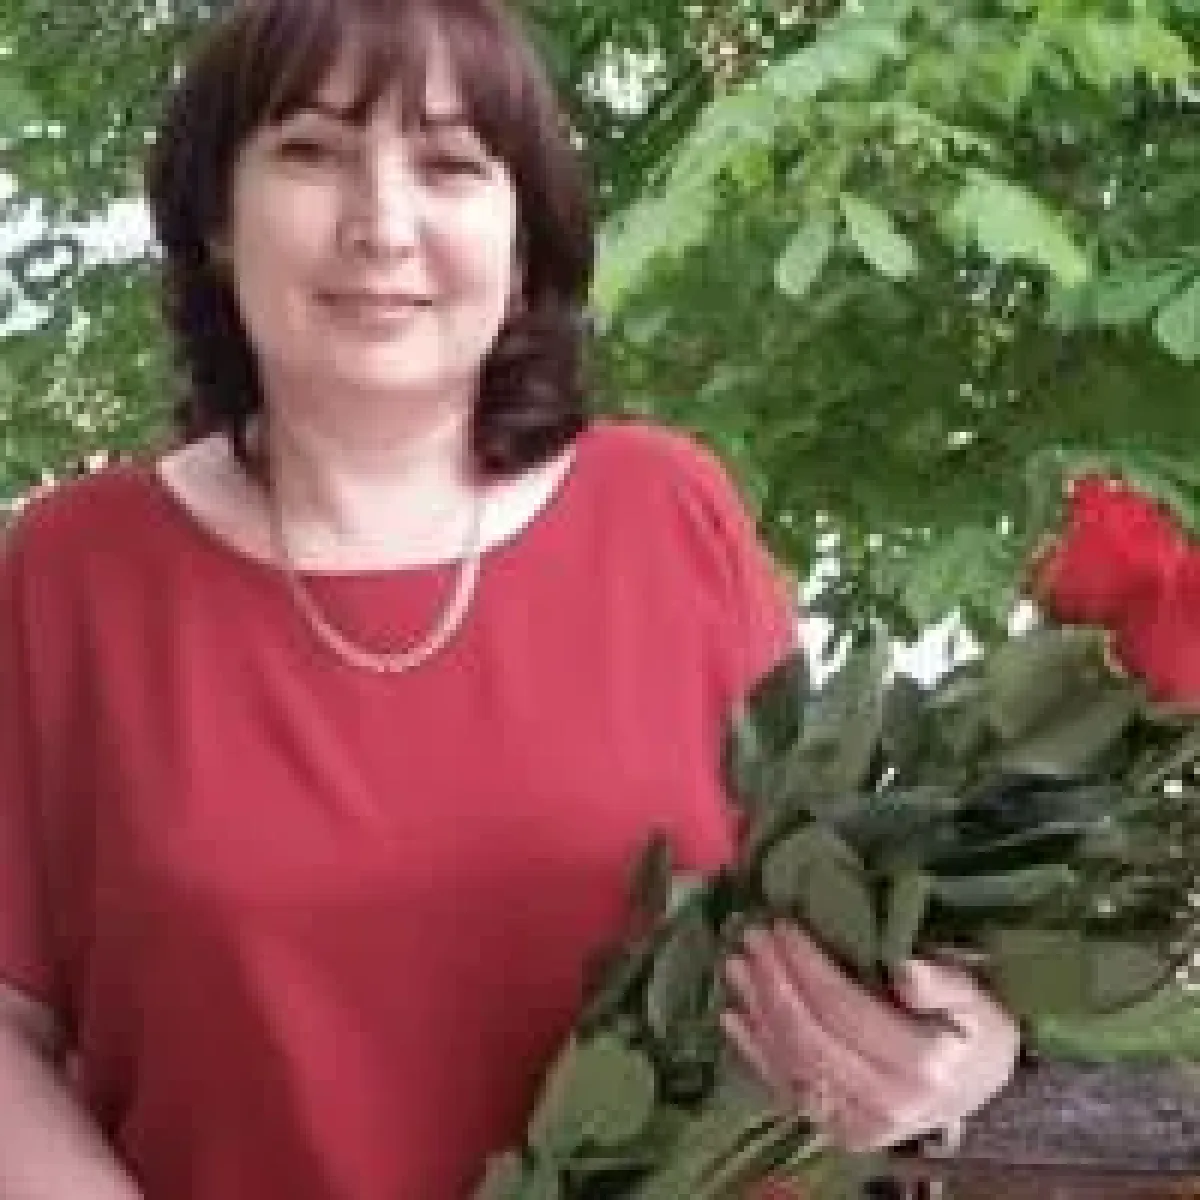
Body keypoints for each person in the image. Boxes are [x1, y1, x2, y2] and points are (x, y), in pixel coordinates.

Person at [0, 0, 1019, 1196]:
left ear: (526, 234)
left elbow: (847, 929)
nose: (382, 225)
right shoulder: (73, 570)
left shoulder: (669, 514)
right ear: (216, 218)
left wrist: (953, 1063)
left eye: (449, 165)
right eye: (311, 152)